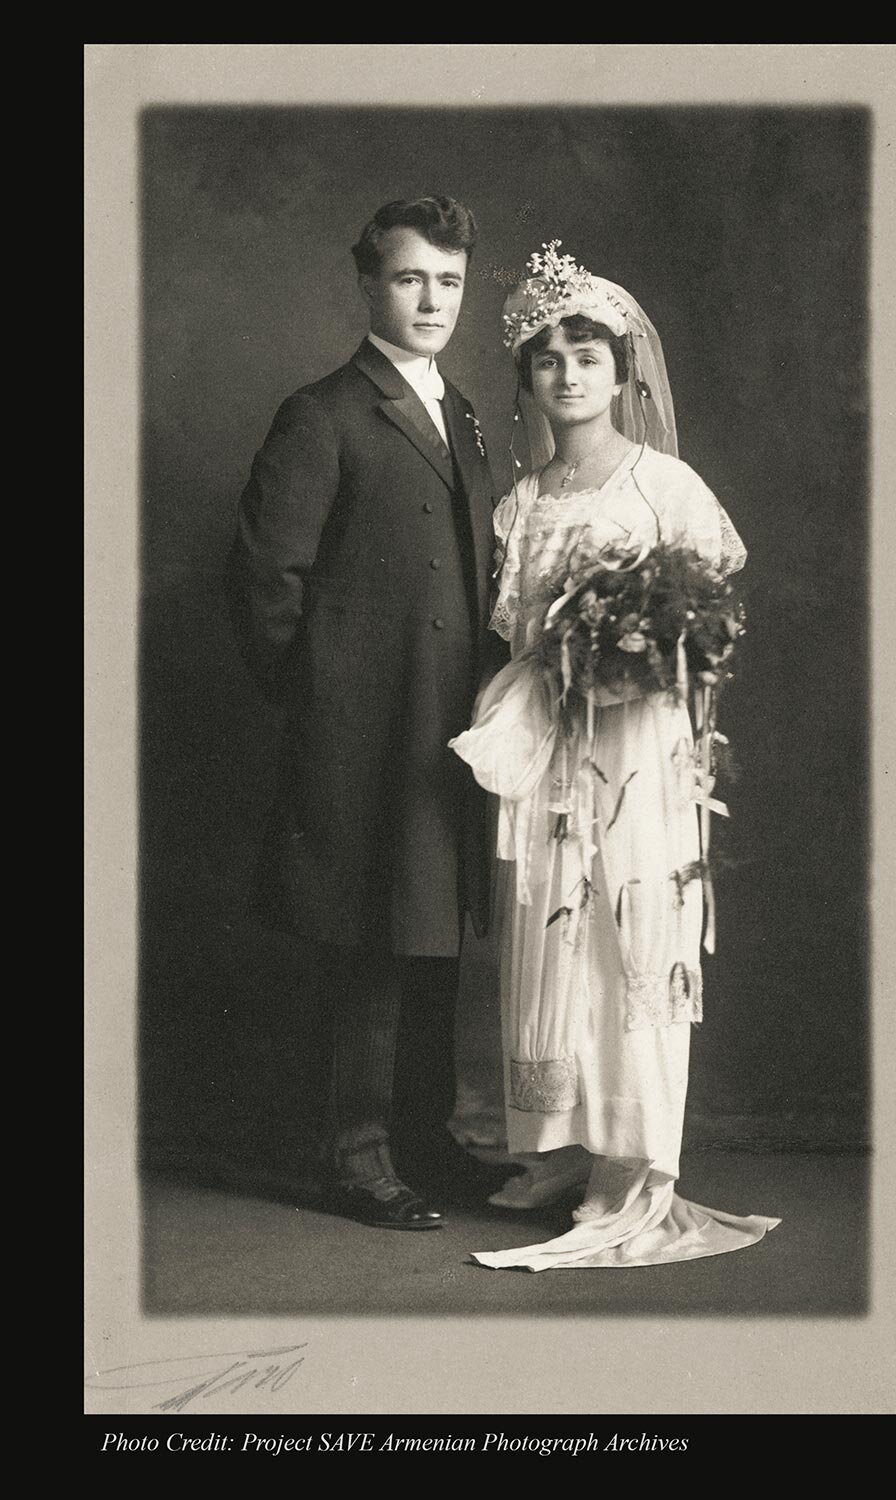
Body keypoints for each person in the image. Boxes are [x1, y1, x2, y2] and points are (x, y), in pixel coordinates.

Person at [451, 243, 781, 1269]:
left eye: (584, 355)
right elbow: (509, 629)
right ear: (529, 383)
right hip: (551, 749)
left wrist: (636, 663)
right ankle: (566, 1143)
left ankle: (635, 1166)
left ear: (622, 371)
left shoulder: (663, 487)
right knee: (551, 938)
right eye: (546, 360)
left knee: (630, 936)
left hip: (637, 752)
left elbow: (713, 621)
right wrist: (560, 660)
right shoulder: (521, 503)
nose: (566, 375)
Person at [225, 196, 505, 1231]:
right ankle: (358, 1156)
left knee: (433, 935)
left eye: (448, 281)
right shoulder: (324, 412)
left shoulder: (466, 411)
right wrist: (328, 703)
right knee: (365, 944)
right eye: (408, 278)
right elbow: (264, 581)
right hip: (362, 734)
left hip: (450, 732)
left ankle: (426, 1139)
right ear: (367, 283)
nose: (431, 300)